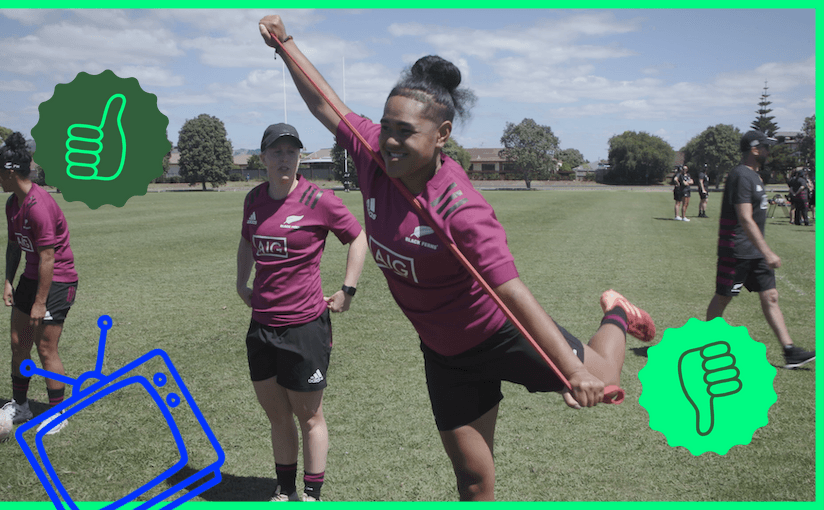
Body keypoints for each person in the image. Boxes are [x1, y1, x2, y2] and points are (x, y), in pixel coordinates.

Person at [259, 15, 656, 501]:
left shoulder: (461, 209)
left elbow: (512, 292)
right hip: (446, 355)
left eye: (405, 132)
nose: (389, 141)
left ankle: (616, 311)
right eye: (385, 127)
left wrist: (573, 373)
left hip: (502, 334)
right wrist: (285, 44)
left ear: (441, 134)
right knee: (472, 481)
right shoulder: (373, 156)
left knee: (605, 378)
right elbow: (326, 102)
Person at [236, 123, 368, 502]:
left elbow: (357, 237)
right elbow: (246, 240)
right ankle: (285, 490)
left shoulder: (319, 200)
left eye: (291, 152)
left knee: (309, 416)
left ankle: (311, 494)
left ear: (299, 157)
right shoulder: (254, 199)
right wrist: (241, 283)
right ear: (263, 157)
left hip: (304, 328)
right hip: (262, 326)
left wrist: (348, 289)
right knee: (277, 415)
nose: (284, 159)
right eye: (276, 152)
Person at [0, 132, 78, 435]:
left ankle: (58, 413)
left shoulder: (39, 205)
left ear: (11, 173)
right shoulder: (13, 203)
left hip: (58, 280)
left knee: (46, 347)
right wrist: (8, 281)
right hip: (31, 277)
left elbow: (49, 258)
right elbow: (14, 246)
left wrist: (40, 302)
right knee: (18, 342)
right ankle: (21, 405)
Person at [706, 130, 815, 369]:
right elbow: (745, 218)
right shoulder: (741, 176)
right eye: (766, 147)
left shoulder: (754, 176)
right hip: (736, 250)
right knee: (723, 298)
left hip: (754, 251)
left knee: (771, 296)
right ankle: (707, 346)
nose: (768, 151)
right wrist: (767, 252)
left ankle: (789, 351)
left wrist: (762, 252)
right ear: (755, 149)